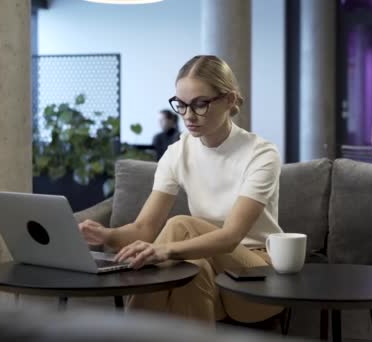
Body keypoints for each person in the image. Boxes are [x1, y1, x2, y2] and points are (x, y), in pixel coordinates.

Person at [78, 55, 284, 325]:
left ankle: (127, 332)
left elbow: (232, 236)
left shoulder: (261, 154)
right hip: (207, 267)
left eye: (200, 104)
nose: (188, 115)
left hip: (257, 276)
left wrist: (166, 251)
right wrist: (107, 234)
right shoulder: (177, 153)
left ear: (230, 100)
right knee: (193, 268)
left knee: (181, 224)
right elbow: (143, 230)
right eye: (182, 105)